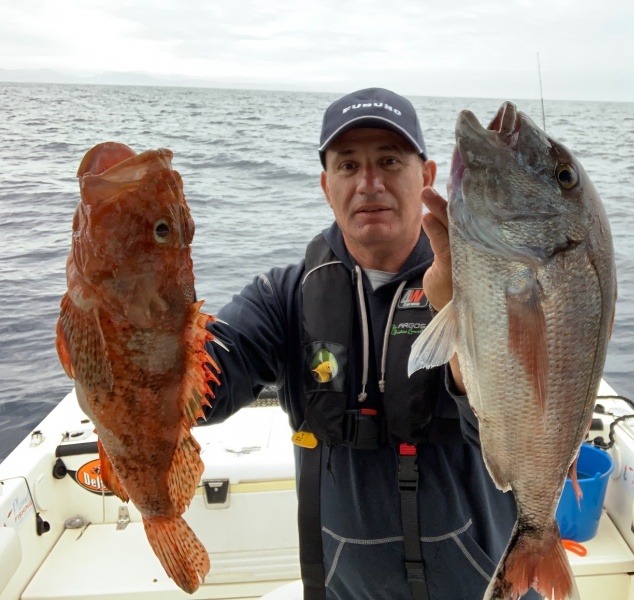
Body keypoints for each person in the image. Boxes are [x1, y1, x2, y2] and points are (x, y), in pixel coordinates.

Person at [203, 88, 535, 600]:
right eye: (348, 165)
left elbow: (512, 440)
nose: (369, 183)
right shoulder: (283, 296)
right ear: (325, 185)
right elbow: (202, 388)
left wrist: (466, 318)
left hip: (488, 586)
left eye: (388, 160)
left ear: (425, 176)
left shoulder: (494, 289)